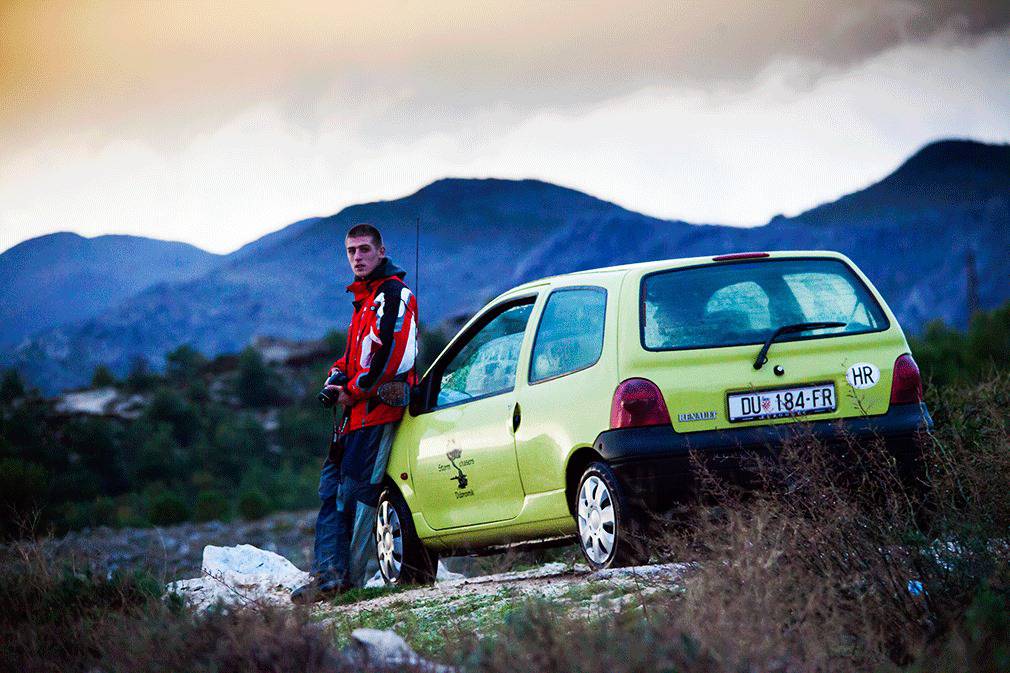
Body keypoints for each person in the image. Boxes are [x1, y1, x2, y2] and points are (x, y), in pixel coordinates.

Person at [291, 223, 418, 603]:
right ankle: (326, 577)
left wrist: (352, 390)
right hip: (351, 419)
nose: (357, 257)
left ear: (381, 251)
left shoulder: (394, 295)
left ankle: (351, 582)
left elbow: (391, 356)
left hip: (376, 415)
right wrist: (335, 376)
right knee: (330, 492)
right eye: (351, 251)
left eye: (364, 249)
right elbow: (354, 356)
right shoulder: (363, 300)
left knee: (359, 496)